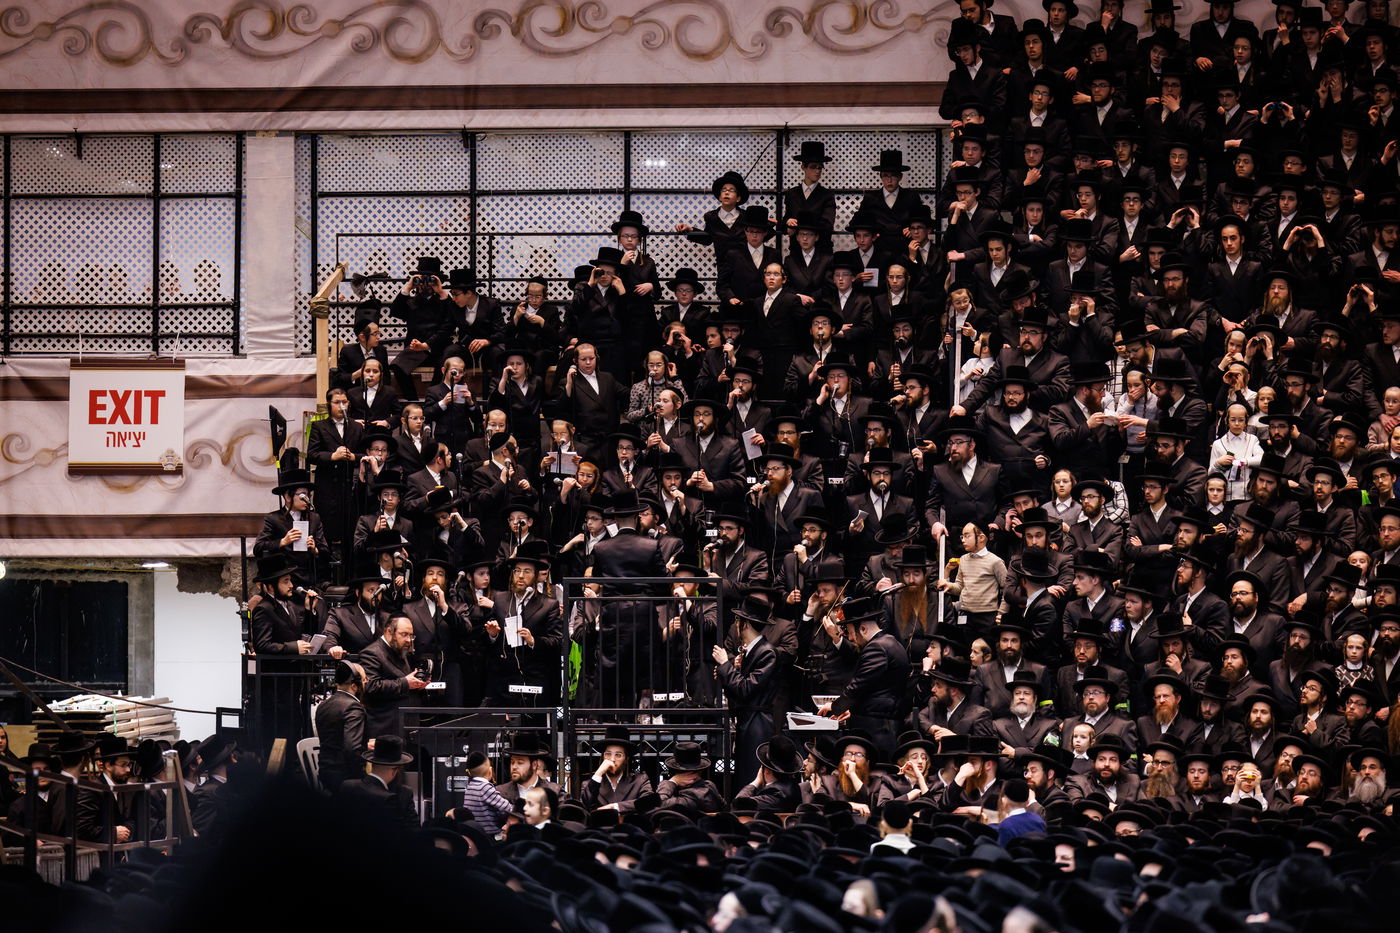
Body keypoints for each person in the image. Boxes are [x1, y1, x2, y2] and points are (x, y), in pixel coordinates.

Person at [314, 660, 368, 792]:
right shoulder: (353, 707)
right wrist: (364, 776)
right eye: (365, 679)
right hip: (346, 778)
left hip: (325, 773)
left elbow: (334, 738)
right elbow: (352, 749)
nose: (367, 682)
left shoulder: (323, 705)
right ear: (355, 686)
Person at [579, 725, 654, 812]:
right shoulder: (590, 784)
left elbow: (649, 803)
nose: (612, 759)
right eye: (608, 754)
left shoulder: (640, 780)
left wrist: (616, 807)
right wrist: (598, 773)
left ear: (626, 759)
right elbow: (585, 807)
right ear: (603, 757)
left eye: (618, 755)